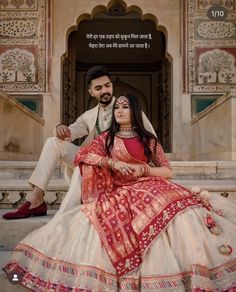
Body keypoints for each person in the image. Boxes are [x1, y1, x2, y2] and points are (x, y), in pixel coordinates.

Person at [3, 94, 236, 291]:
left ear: (134, 111)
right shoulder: (107, 138)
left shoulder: (149, 140)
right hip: (120, 190)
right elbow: (84, 156)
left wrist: (144, 169)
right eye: (117, 107)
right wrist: (113, 164)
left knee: (180, 207)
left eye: (125, 107)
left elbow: (167, 171)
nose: (119, 110)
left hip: (149, 183)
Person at [2, 66, 156, 220]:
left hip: (119, 167)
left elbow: (151, 140)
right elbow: (71, 132)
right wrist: (61, 130)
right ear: (91, 92)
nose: (105, 91)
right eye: (99, 88)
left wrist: (147, 171)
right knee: (53, 142)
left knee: (83, 168)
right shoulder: (88, 116)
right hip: (94, 162)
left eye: (107, 86)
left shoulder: (129, 109)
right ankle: (36, 199)